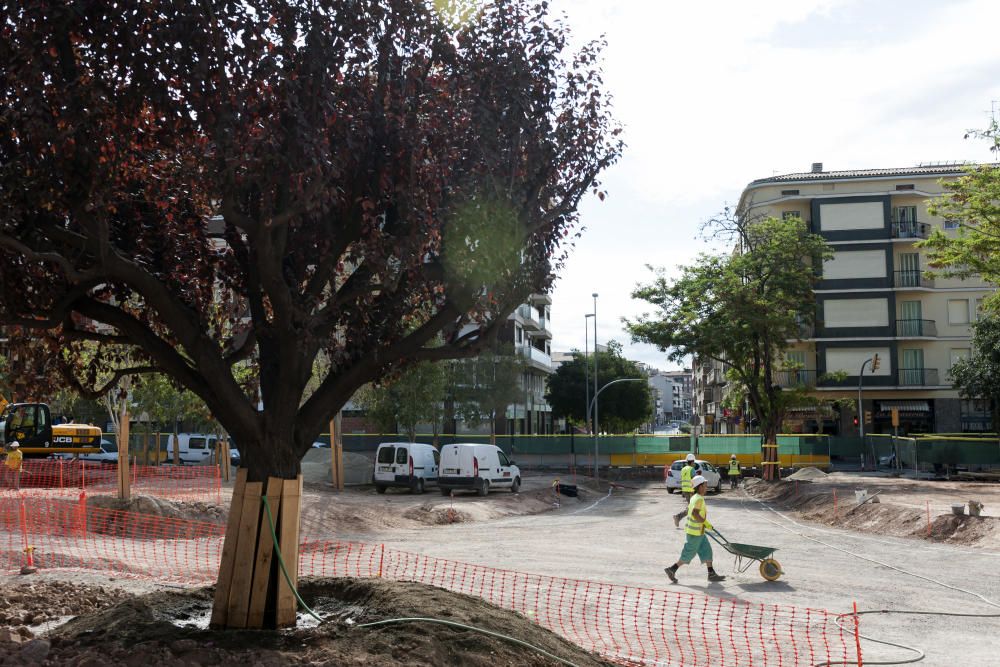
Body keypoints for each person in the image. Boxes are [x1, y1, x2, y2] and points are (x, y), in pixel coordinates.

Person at [665, 475, 726, 583]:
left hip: (699, 532)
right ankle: (672, 569)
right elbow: (694, 513)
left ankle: (711, 574)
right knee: (688, 554)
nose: (706, 487)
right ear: (700, 486)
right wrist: (705, 523)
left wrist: (705, 525)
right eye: (705, 485)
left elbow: (690, 511)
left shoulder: (694, 497)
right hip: (695, 533)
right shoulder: (698, 499)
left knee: (707, 551)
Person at [673, 454, 700, 528]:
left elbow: (683, 479)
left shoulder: (683, 469)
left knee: (691, 507)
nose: (694, 463)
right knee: (692, 507)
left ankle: (680, 518)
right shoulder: (692, 469)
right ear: (692, 462)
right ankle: (678, 517)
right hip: (691, 490)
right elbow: (695, 480)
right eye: (694, 462)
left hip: (685, 490)